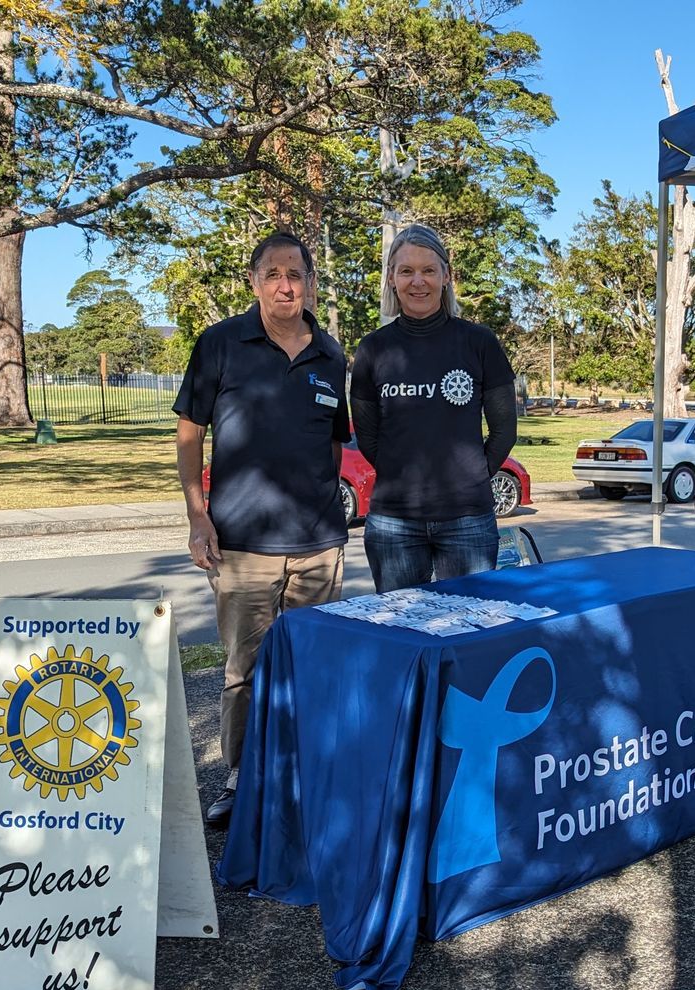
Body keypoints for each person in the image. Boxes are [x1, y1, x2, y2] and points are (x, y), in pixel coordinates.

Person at [174, 232, 350, 829]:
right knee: (243, 671)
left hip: (319, 546)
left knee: (310, 668)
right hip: (242, 545)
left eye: (295, 273)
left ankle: (302, 775)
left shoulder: (330, 355)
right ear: (254, 282)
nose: (285, 284)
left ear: (310, 283)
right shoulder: (221, 344)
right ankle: (241, 778)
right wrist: (199, 515)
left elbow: (332, 441)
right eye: (273, 273)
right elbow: (190, 435)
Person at [350, 224, 518, 593]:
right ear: (392, 279)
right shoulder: (373, 349)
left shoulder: (479, 342)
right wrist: (401, 473)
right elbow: (367, 435)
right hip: (394, 522)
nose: (418, 281)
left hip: (468, 518)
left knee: (470, 630)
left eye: (428, 270)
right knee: (401, 632)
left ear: (446, 275)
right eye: (406, 271)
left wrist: (470, 475)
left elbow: (505, 429)